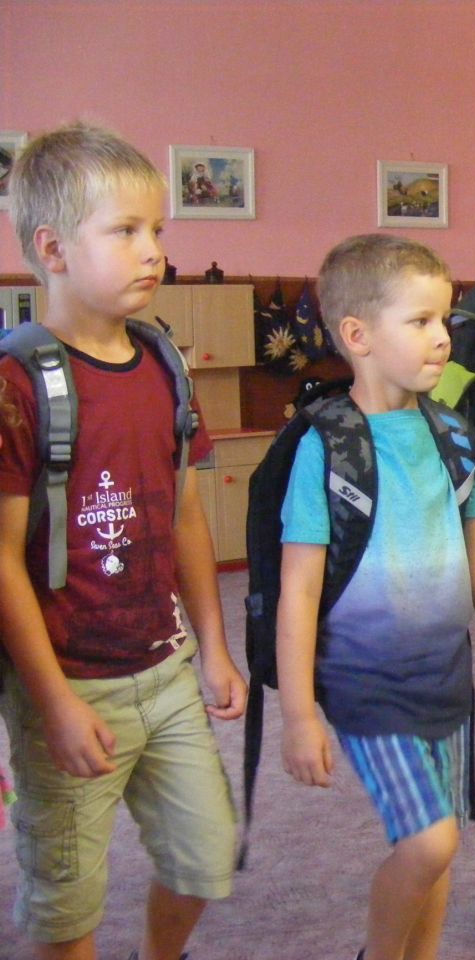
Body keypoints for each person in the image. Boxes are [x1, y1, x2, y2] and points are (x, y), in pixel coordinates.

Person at [0, 122, 244, 960]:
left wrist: (214, 645)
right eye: (126, 231)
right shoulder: (16, 386)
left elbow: (185, 516)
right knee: (68, 901)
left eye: (158, 230)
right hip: (71, 679)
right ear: (53, 249)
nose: (153, 251)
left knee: (206, 857)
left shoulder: (164, 364)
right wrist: (53, 703)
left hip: (164, 667)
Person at [276, 234, 475, 960]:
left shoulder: (455, 435)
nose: (443, 337)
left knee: (439, 850)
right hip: (366, 685)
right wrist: (299, 714)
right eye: (420, 321)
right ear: (358, 336)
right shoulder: (327, 446)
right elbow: (299, 590)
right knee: (430, 842)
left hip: (446, 683)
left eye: (444, 319)